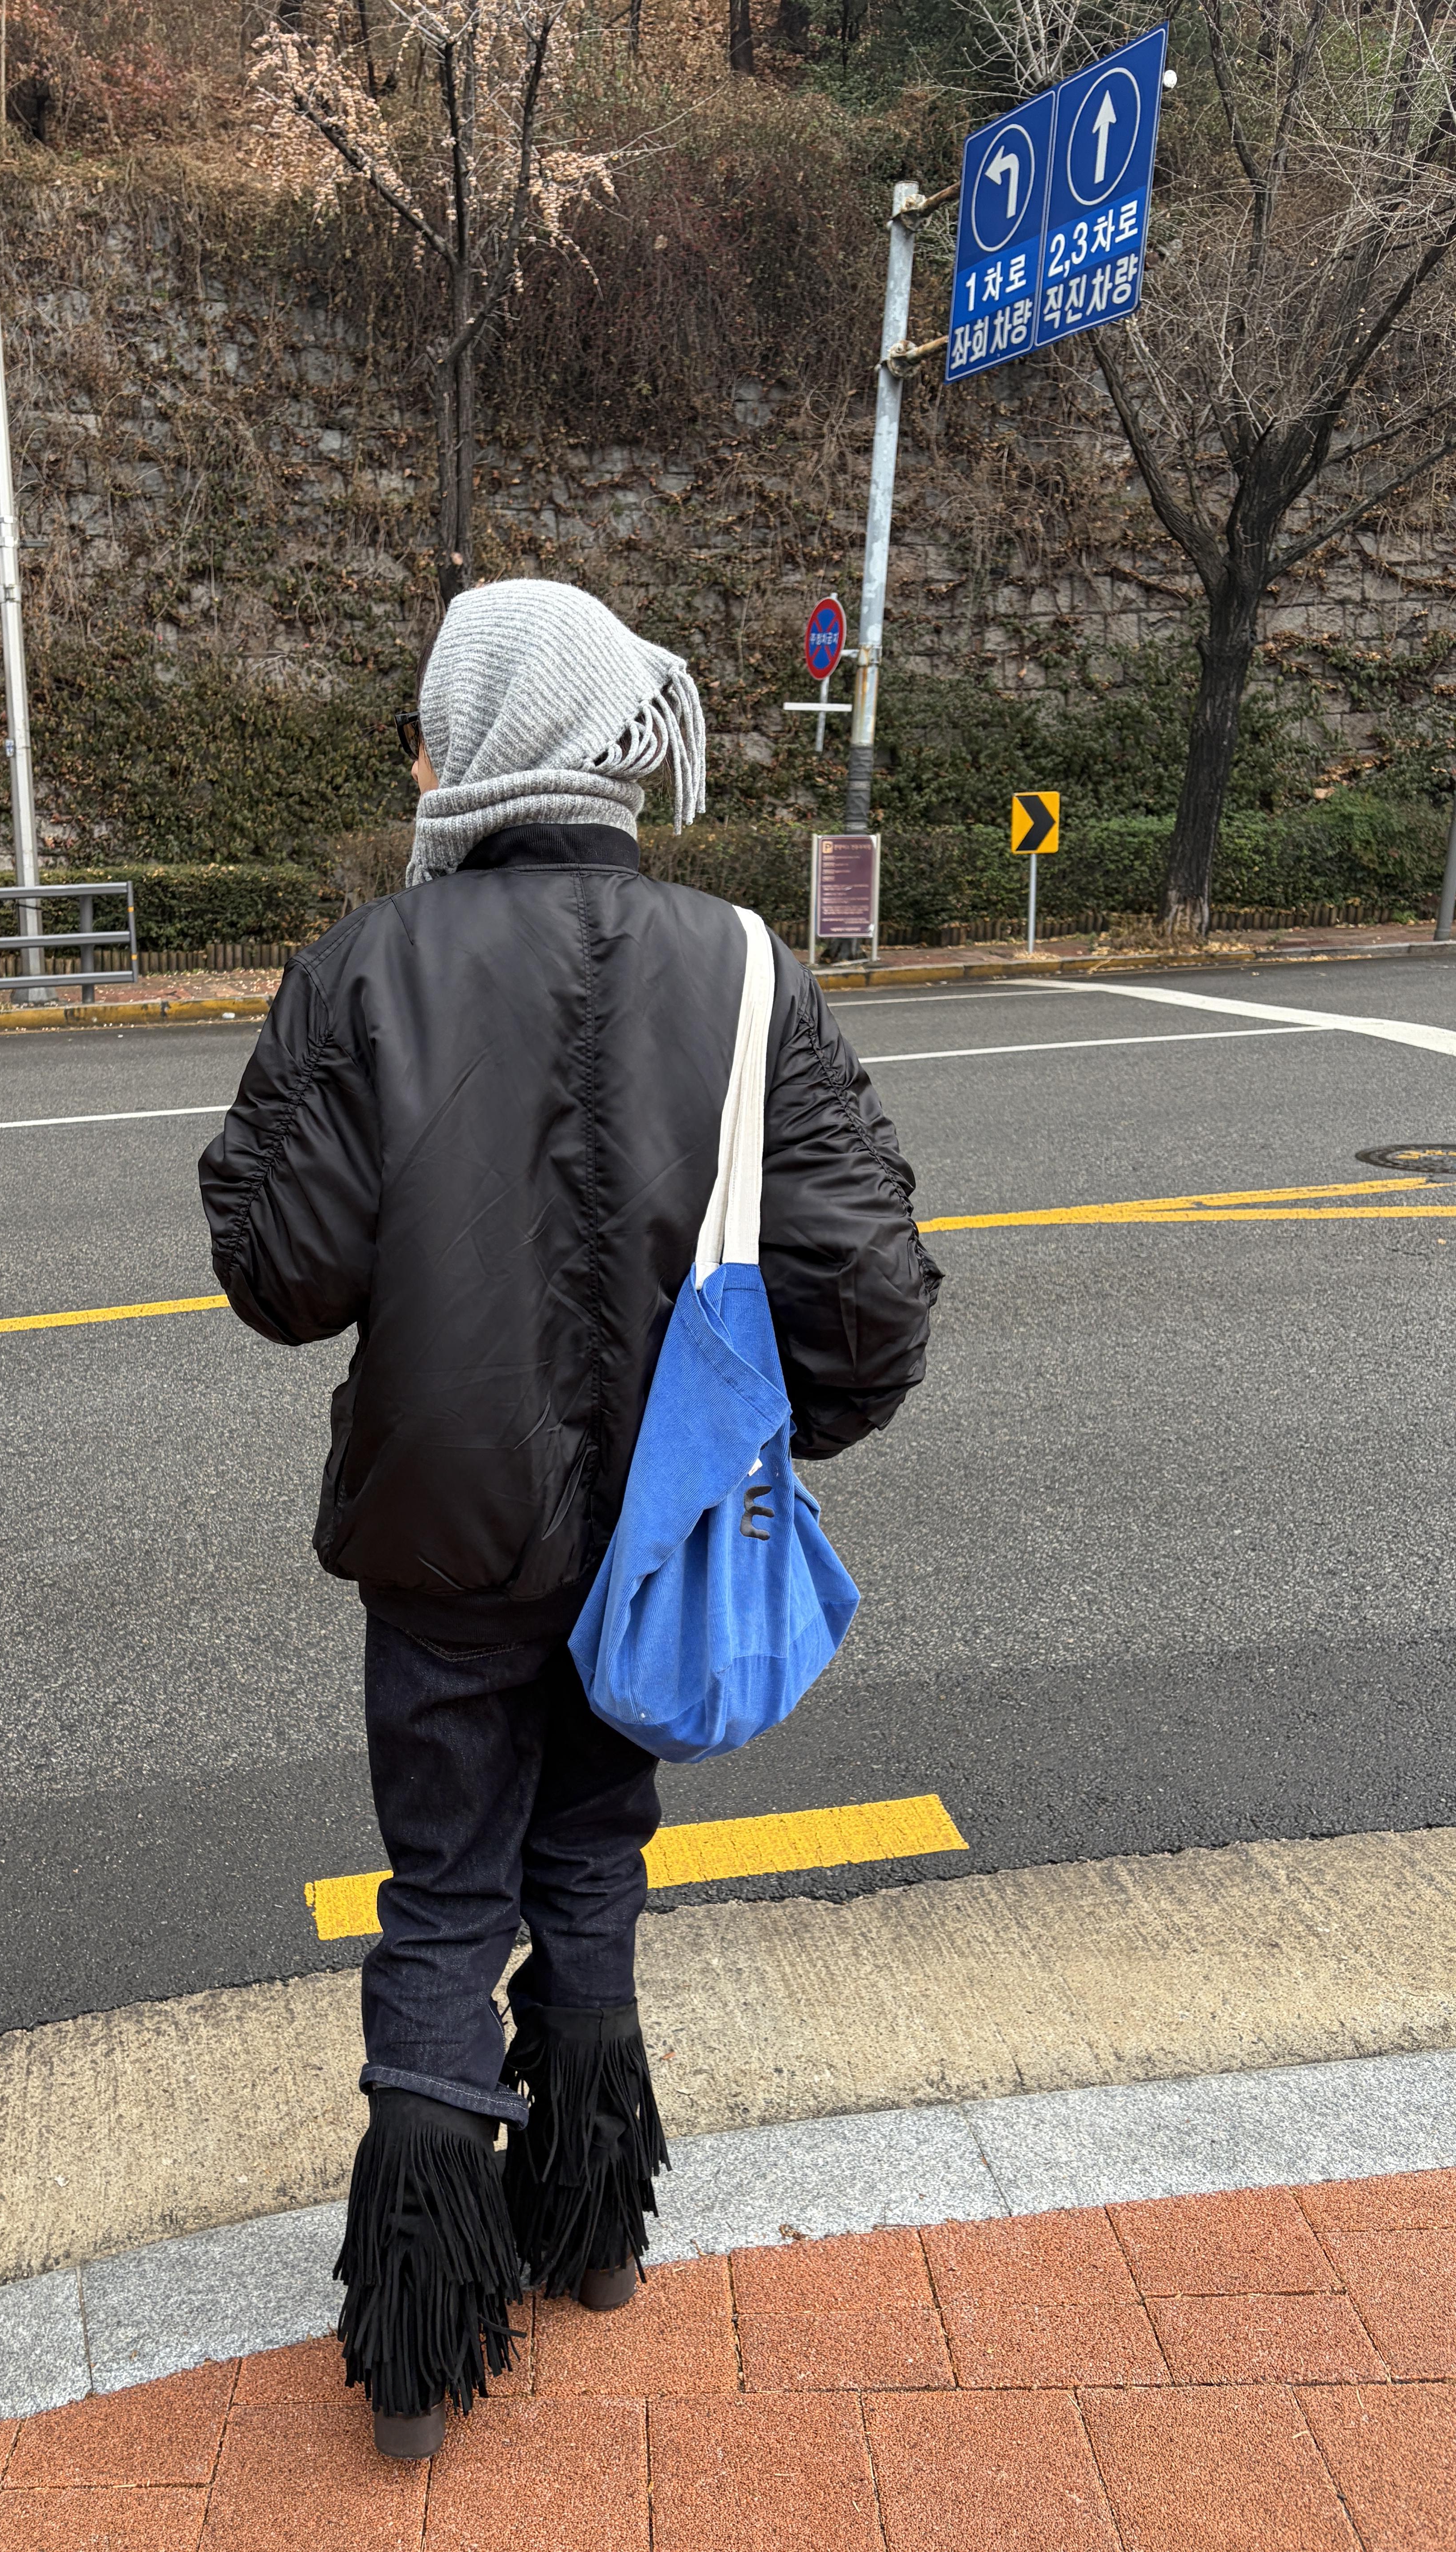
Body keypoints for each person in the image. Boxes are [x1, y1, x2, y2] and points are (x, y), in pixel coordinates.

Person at [199, 578, 939, 2460]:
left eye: (429, 728)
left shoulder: (367, 966)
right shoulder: (747, 966)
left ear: (476, 744)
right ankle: (594, 2231)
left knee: (446, 1891)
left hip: (444, 1536)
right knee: (596, 1860)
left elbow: (281, 1272)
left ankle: (419, 2351)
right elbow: (869, 1292)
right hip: (655, 1546)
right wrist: (763, 1443)